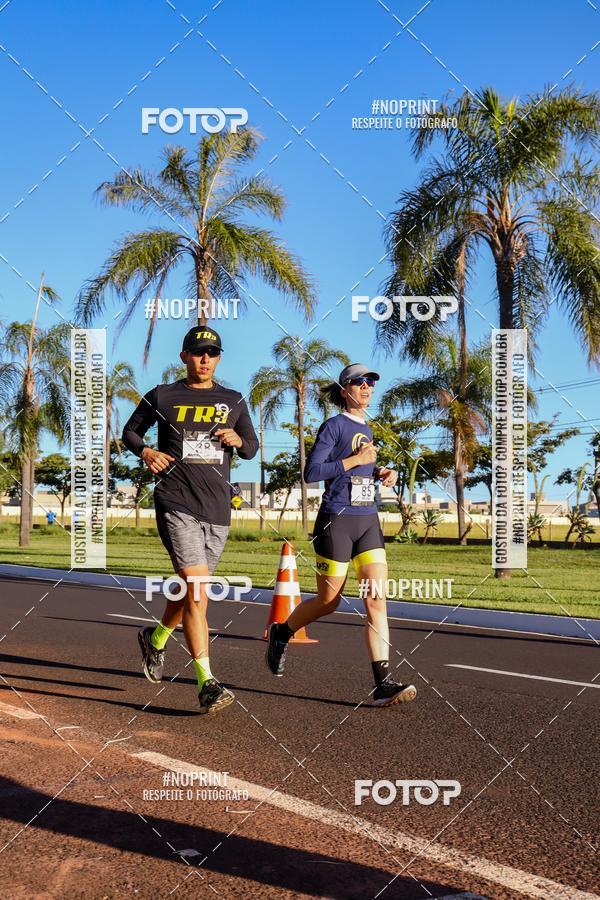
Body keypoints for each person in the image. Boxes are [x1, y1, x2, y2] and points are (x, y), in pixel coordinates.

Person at [122, 326, 259, 715]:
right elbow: (130, 432)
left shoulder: (233, 400)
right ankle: (206, 683)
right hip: (176, 500)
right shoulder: (164, 395)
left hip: (217, 508)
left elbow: (251, 448)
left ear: (219, 359)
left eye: (212, 353)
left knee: (191, 592)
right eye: (198, 352)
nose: (205, 359)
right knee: (198, 592)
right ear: (184, 356)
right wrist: (147, 452)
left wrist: (238, 440)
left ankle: (157, 637)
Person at [265, 363, 416, 707]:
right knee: (329, 602)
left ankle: (383, 682)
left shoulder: (368, 428)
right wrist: (355, 460)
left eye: (371, 383)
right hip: (336, 521)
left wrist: (380, 471)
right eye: (359, 382)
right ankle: (282, 631)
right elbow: (312, 472)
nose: (367, 387)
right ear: (344, 389)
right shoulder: (333, 426)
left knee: (376, 600)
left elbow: (358, 466)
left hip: (368, 521)